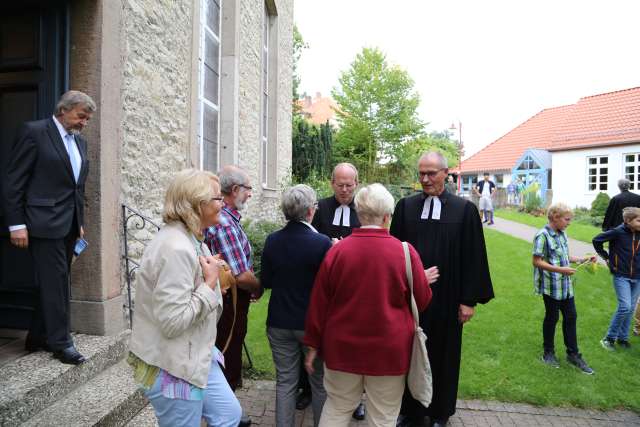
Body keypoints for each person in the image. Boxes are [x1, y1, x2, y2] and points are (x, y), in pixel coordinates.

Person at [304, 183, 434, 427]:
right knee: (383, 416)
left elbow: (319, 302)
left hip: (342, 348)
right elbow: (423, 300)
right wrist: (420, 280)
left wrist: (312, 345)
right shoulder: (405, 252)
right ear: (387, 217)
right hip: (389, 351)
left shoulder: (337, 251)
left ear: (359, 213)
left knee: (337, 407)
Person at [128, 169, 242, 427]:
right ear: (196, 204)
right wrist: (210, 284)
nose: (223, 204)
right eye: (217, 199)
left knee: (227, 414)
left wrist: (210, 287)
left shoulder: (192, 239)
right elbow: (172, 322)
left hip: (196, 355)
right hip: (174, 367)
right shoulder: (176, 248)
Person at [391, 152, 494, 427]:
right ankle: (410, 410)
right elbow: (392, 253)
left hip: (448, 300)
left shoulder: (465, 211)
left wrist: (469, 300)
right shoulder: (405, 208)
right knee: (408, 353)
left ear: (446, 173)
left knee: (445, 356)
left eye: (431, 174)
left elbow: (474, 257)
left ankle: (440, 412)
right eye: (421, 173)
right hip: (411, 299)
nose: (425, 179)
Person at [3, 90, 95, 365]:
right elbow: (14, 182)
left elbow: (77, 187)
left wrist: (79, 224)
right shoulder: (34, 132)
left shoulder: (81, 143)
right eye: (81, 116)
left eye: (88, 119)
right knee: (56, 282)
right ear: (63, 110)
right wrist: (16, 224)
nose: (84, 123)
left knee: (54, 280)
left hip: (68, 224)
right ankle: (61, 342)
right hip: (41, 223)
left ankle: (37, 336)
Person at [262, 184, 331, 427]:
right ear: (311, 211)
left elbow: (267, 281)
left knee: (285, 381)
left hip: (279, 321)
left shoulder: (272, 240)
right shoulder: (323, 243)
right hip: (310, 325)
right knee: (320, 383)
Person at [203, 165, 261, 427]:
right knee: (228, 352)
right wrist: (259, 286)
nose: (250, 194)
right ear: (235, 190)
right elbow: (240, 275)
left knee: (225, 351)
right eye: (248, 189)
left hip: (229, 299)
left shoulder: (226, 218)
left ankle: (226, 411)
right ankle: (227, 415)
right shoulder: (225, 222)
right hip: (229, 302)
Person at [309, 162, 366, 420]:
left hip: (356, 286)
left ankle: (357, 399)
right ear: (332, 183)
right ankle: (309, 389)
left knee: (355, 343)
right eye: (340, 185)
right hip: (326, 282)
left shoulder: (364, 208)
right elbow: (312, 239)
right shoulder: (321, 208)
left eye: (349, 185)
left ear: (356, 184)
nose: (344, 190)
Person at [533, 203, 595, 374]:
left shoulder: (563, 234)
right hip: (552, 287)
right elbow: (537, 261)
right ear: (555, 217)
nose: (569, 223)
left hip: (566, 287)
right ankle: (548, 353)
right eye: (567, 219)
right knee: (552, 318)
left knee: (571, 317)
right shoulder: (542, 235)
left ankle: (573, 354)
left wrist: (581, 260)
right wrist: (561, 270)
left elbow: (564, 257)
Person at [592, 206, 640, 350]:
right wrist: (606, 258)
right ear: (628, 220)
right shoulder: (618, 232)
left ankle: (623, 339)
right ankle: (609, 339)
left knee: (631, 308)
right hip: (621, 275)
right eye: (639, 220)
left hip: (638, 276)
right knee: (625, 306)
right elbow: (596, 240)